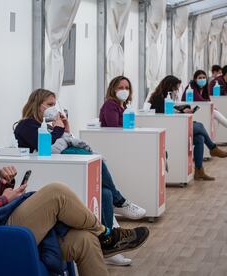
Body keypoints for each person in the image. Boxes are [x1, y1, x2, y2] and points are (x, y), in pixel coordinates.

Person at [0, 119, 150, 276]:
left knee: (84, 240)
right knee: (57, 192)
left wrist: (3, 187)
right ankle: (106, 234)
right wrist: (4, 200)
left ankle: (100, 238)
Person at [14, 89, 147, 265]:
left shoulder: (50, 124)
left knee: (104, 194)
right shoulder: (26, 125)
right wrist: (61, 130)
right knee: (95, 161)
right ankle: (120, 202)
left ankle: (109, 246)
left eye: (55, 104)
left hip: (62, 165)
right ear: (37, 105)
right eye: (49, 105)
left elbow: (62, 139)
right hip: (50, 171)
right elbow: (45, 143)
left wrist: (64, 130)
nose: (53, 108)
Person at [149, 75, 227, 181]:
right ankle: (212, 148)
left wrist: (181, 110)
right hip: (170, 128)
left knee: (200, 138)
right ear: (169, 86)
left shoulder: (165, 96)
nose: (177, 91)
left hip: (175, 124)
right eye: (176, 88)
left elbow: (168, 112)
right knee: (199, 126)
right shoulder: (158, 98)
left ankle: (199, 171)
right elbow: (164, 115)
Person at [182, 70, 227, 143]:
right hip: (190, 111)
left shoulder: (204, 88)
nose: (202, 79)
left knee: (215, 117)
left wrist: (211, 106)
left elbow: (207, 99)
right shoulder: (191, 86)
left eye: (204, 77)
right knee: (214, 113)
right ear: (195, 79)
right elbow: (198, 99)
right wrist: (210, 106)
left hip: (200, 109)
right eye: (200, 78)